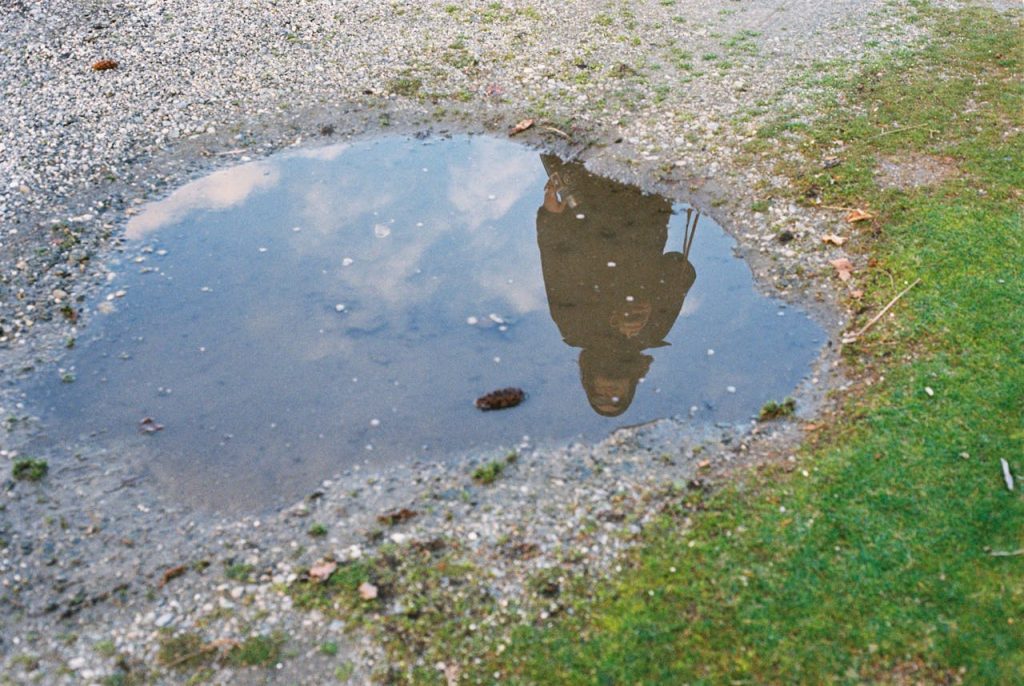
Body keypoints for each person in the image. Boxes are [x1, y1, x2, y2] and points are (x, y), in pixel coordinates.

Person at [536, 155, 698, 416]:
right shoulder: (652, 331)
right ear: (631, 383)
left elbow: (555, 265)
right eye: (616, 395)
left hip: (587, 205)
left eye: (601, 394)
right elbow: (680, 267)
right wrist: (651, 301)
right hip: (646, 208)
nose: (609, 387)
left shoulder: (575, 328)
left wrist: (550, 216)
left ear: (589, 381)